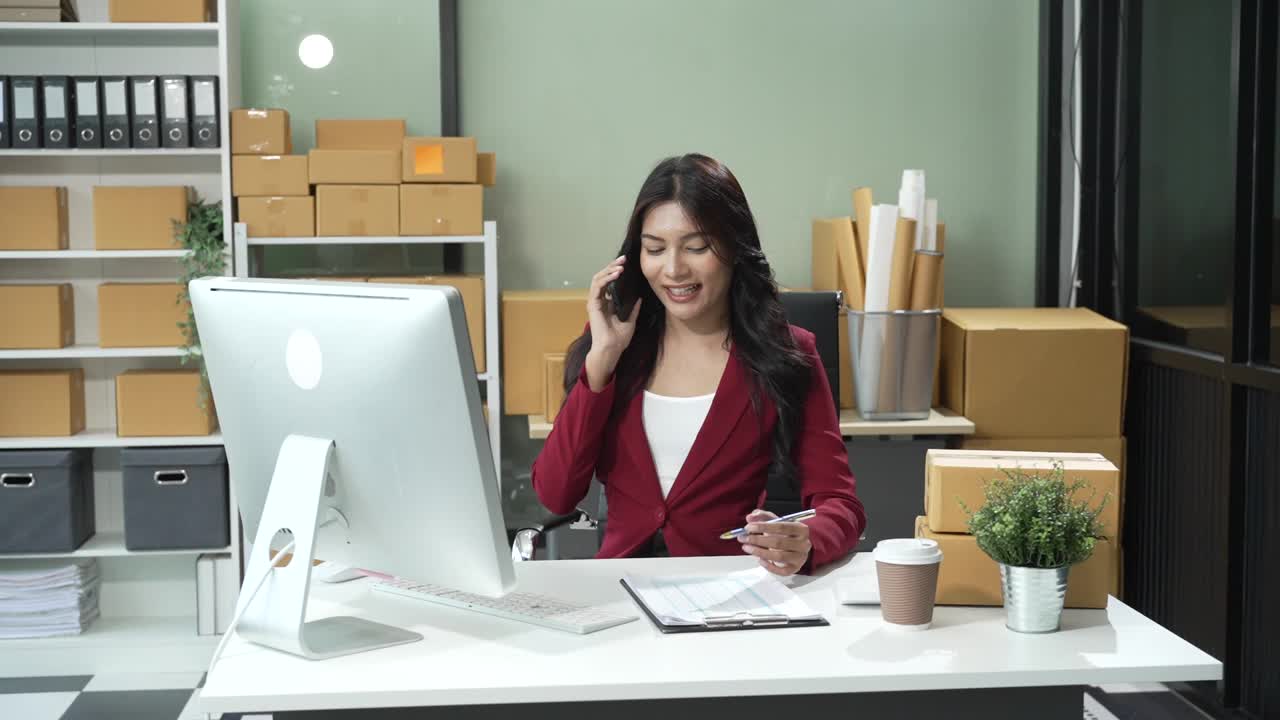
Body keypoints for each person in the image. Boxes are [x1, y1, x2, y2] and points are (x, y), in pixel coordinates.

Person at [531, 154, 865, 575]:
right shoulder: (618, 349)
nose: (672, 269)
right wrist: (600, 364)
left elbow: (842, 505)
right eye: (654, 249)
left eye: (696, 247)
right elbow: (556, 495)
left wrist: (807, 540)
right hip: (619, 592)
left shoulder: (786, 354)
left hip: (727, 592)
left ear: (733, 248)